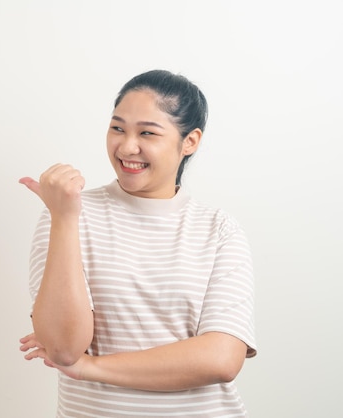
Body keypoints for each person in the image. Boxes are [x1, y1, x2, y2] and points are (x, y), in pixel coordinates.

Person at [18, 69, 257, 417]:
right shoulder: (67, 214)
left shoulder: (219, 230)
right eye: (117, 128)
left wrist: (92, 368)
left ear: (189, 141)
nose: (127, 146)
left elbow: (221, 359)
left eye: (147, 132)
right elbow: (64, 348)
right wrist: (65, 219)